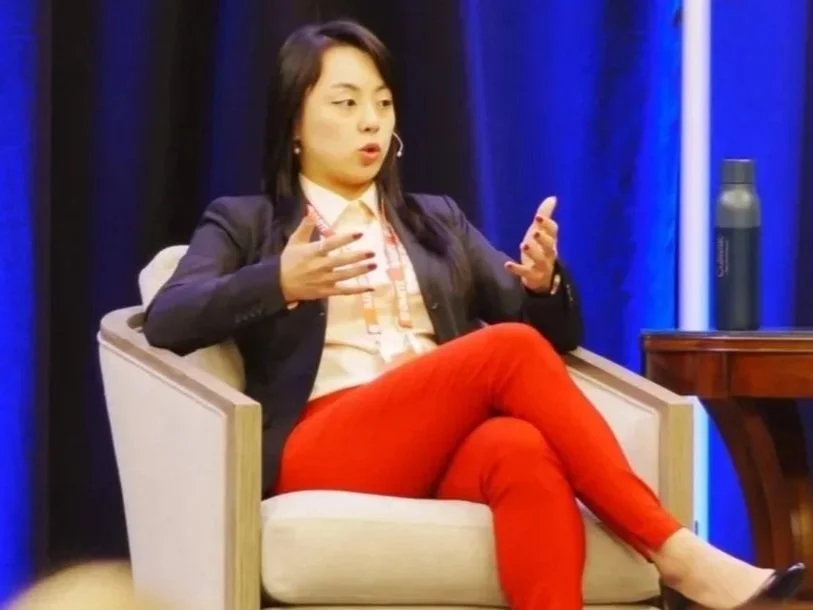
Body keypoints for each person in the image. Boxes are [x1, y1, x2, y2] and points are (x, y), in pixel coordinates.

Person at [142, 19, 803, 610]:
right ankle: (675, 552)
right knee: (504, 350)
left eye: (382, 103)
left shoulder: (435, 222)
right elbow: (169, 318)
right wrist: (278, 280)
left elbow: (549, 339)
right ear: (293, 122)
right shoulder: (247, 222)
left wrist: (542, 285)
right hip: (322, 444)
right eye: (345, 105)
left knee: (520, 449)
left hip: (437, 440)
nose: (371, 122)